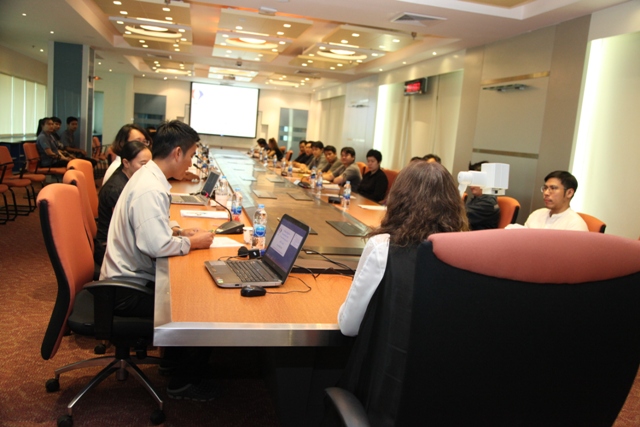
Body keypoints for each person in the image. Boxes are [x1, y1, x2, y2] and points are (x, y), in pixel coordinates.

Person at [335, 161, 469, 424]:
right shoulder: (466, 251)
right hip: (443, 397)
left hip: (386, 398)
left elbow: (348, 326)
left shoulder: (383, 246)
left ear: (399, 198)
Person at [100, 120, 216, 401]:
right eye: (191, 155)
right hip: (126, 290)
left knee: (189, 287)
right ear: (177, 153)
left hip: (128, 278)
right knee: (200, 306)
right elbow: (155, 245)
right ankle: (183, 383)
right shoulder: (150, 188)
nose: (191, 162)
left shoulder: (149, 177)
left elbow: (153, 230)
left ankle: (171, 362)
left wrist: (178, 232)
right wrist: (192, 242)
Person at [94, 141, 152, 267]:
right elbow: (125, 229)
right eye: (143, 164)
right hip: (111, 250)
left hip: (121, 244)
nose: (148, 169)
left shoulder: (130, 179)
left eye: (150, 164)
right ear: (126, 163)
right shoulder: (117, 189)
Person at [513, 170, 588, 231]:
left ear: (569, 193)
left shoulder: (575, 225)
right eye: (545, 188)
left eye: (553, 188)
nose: (546, 193)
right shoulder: (536, 214)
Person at [465, 161, 500, 230]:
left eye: (475, 180)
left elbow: (459, 217)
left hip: (476, 236)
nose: (471, 185)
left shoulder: (488, 203)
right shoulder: (478, 198)